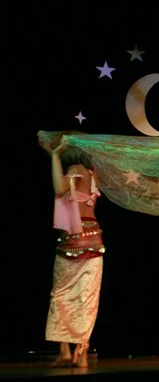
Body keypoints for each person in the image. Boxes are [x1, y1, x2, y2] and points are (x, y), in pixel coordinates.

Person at [38, 138, 105, 367]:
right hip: (93, 240)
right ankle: (81, 352)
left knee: (61, 295)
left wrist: (55, 155)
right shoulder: (92, 174)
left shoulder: (74, 172)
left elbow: (59, 188)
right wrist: (51, 154)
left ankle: (65, 350)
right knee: (86, 299)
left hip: (72, 242)